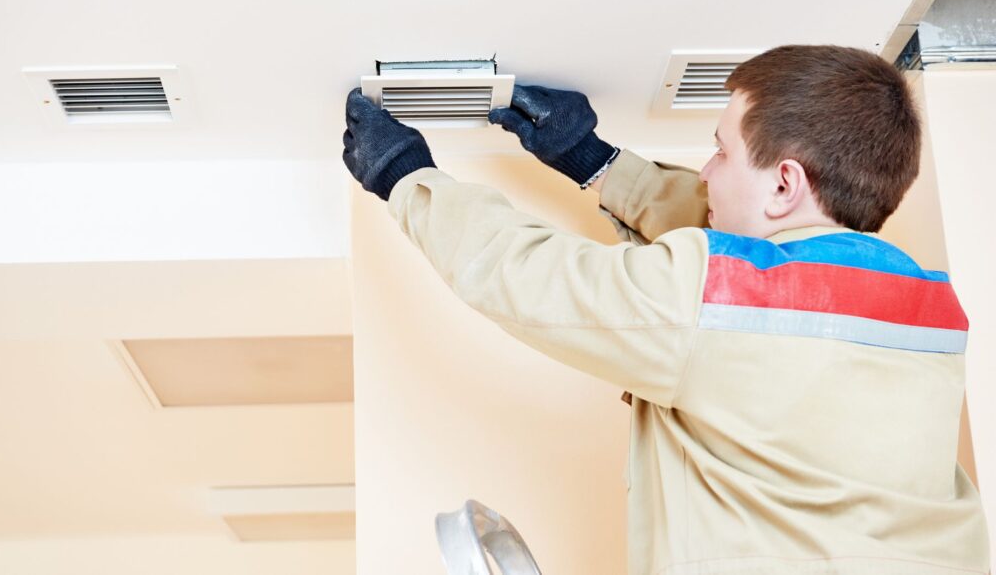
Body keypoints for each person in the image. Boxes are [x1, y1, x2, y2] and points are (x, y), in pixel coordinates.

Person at [341, 45, 990, 575]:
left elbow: (528, 275)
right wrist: (596, 165)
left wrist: (405, 177)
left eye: (722, 151)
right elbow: (761, 256)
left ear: (786, 182)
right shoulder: (928, 307)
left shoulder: (719, 301)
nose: (706, 173)